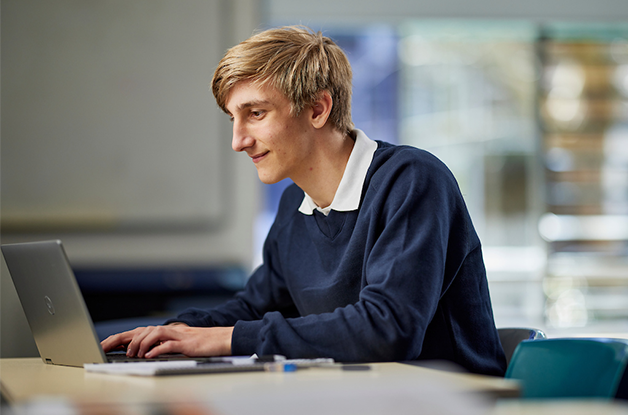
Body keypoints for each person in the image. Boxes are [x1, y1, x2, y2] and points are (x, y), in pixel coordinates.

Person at [102, 25, 507, 376]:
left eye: (256, 114)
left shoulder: (412, 180)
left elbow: (388, 330)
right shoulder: (296, 204)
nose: (238, 141)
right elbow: (256, 307)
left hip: (451, 400)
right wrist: (172, 333)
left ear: (318, 108)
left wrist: (226, 340)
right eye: (234, 119)